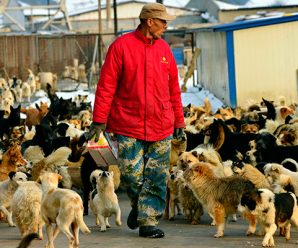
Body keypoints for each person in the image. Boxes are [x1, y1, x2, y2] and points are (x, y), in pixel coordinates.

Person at [87, 2, 185, 238]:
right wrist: (99, 120)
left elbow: (174, 88)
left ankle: (148, 221)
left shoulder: (164, 50)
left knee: (157, 176)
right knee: (131, 175)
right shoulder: (121, 47)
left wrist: (179, 122)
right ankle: (141, 207)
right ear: (149, 21)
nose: (166, 26)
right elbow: (106, 85)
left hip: (161, 123)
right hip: (127, 122)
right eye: (163, 22)